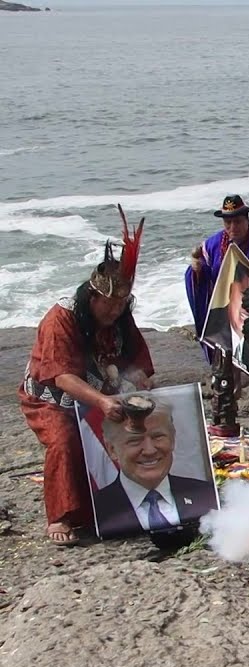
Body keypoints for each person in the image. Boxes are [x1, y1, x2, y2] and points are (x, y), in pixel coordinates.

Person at [19, 213, 154, 545]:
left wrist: (140, 381)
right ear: (92, 297)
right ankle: (62, 516)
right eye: (108, 306)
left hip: (102, 394)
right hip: (51, 399)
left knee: (131, 437)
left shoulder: (121, 316)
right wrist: (103, 402)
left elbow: (136, 361)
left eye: (120, 306)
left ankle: (125, 504)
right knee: (65, 442)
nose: (114, 313)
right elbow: (62, 376)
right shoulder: (60, 318)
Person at [185, 194, 249, 420]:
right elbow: (199, 278)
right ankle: (226, 402)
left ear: (247, 220)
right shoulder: (211, 246)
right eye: (228, 222)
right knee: (224, 360)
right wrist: (196, 271)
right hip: (225, 314)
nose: (233, 227)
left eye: (238, 221)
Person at [93, 393, 219, 538]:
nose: (150, 450)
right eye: (135, 440)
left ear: (172, 439)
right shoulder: (97, 510)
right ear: (112, 450)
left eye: (158, 436)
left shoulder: (207, 495)